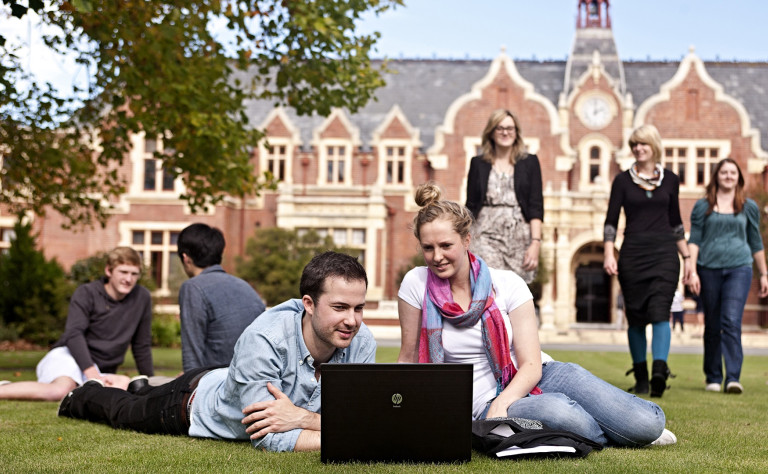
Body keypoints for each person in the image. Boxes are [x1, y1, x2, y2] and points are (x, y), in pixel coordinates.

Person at [397, 182, 675, 448]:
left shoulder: (506, 284)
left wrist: (503, 402)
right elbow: (408, 358)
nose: (437, 257)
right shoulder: (416, 283)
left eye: (446, 246)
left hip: (541, 374)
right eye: (428, 248)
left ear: (467, 239)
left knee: (646, 424)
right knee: (565, 416)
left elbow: (530, 363)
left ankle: (625, 429)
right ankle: (601, 432)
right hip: (480, 399)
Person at [58, 251, 376, 452]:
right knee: (124, 412)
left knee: (142, 390)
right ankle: (83, 396)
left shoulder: (362, 342)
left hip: (224, 380)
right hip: (191, 403)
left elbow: (363, 418)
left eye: (359, 308)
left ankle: (142, 386)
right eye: (339, 307)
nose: (352, 320)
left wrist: (303, 418)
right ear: (309, 304)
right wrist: (349, 434)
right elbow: (268, 437)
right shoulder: (264, 339)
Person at [603, 124, 690, 397]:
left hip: (665, 254)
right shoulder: (622, 181)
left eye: (643, 144)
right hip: (633, 254)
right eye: (634, 145)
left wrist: (687, 258)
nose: (638, 149)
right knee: (637, 317)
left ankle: (659, 372)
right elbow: (611, 221)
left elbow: (676, 222)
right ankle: (641, 378)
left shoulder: (672, 180)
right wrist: (608, 253)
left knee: (660, 312)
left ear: (654, 146)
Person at [0, 247, 153, 401]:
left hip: (99, 369)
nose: (129, 279)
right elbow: (73, 334)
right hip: (69, 356)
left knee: (125, 385)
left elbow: (141, 345)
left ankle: (80, 390)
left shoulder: (142, 297)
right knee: (60, 390)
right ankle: (4, 389)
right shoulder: (87, 293)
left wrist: (150, 382)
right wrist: (92, 374)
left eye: (134, 274)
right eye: (123, 272)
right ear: (109, 271)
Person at [686, 158, 768, 394]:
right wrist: (691, 269)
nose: (729, 176)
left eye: (733, 172)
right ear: (717, 176)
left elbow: (755, 241)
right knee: (712, 323)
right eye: (724, 172)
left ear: (738, 178)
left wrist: (764, 273)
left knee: (731, 320)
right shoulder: (703, 207)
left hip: (739, 269)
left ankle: (733, 377)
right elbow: (695, 240)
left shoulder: (748, 207)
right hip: (708, 268)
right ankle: (713, 376)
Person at [466, 109, 543, 284]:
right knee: (490, 285)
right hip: (485, 235)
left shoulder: (530, 162)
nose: (505, 132)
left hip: (519, 238)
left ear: (516, 133)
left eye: (510, 128)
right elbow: (470, 206)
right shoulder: (477, 163)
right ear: (491, 132)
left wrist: (535, 243)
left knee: (514, 291)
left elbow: (535, 205)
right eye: (499, 128)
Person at [177, 223, 266, 371]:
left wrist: (190, 384)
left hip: (218, 384)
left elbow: (192, 355)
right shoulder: (245, 287)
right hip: (256, 378)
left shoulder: (193, 287)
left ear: (186, 258)